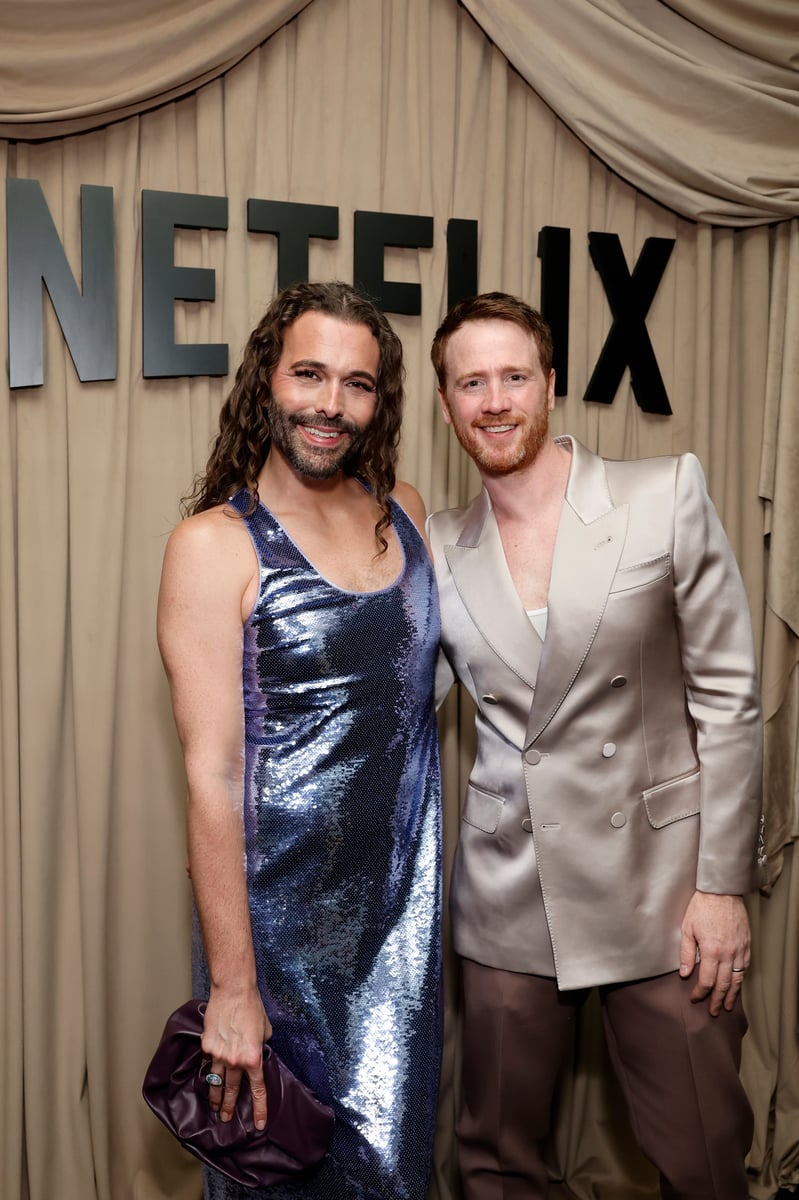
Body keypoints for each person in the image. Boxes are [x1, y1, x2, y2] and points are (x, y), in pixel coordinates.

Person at [427, 292, 763, 1200]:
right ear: (447, 402)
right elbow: (395, 711)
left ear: (549, 383)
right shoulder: (435, 547)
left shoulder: (661, 493)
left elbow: (730, 697)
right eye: (470, 383)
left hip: (663, 888)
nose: (493, 400)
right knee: (495, 1162)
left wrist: (722, 886)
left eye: (512, 376)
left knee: (700, 1154)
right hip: (506, 889)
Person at [157, 281, 442, 1200]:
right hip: (276, 938)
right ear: (266, 381)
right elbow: (209, 776)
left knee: (393, 1171)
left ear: (378, 400)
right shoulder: (213, 545)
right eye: (309, 374)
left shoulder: (404, 507)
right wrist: (233, 989)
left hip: (401, 919)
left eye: (356, 384)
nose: (330, 404)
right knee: (277, 1176)